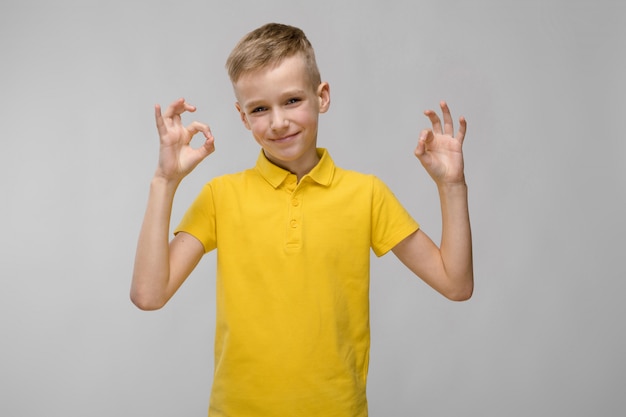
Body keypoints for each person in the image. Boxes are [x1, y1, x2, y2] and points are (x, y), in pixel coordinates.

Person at [131, 22, 473, 417]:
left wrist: (452, 187)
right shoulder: (220, 197)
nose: (277, 122)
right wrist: (164, 181)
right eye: (259, 108)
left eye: (292, 100)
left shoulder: (366, 194)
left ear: (321, 96)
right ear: (243, 117)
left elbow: (455, 283)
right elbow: (149, 295)